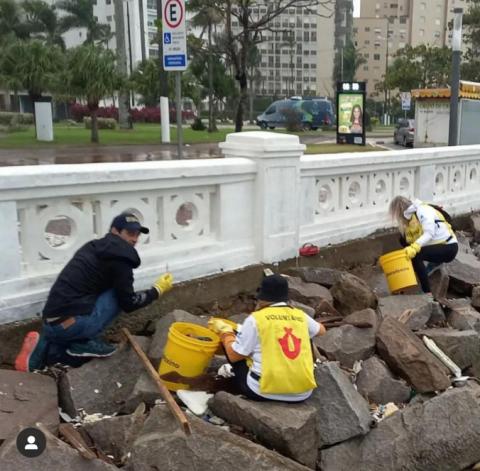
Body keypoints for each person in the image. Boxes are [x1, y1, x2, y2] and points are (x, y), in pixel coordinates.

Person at [15, 212, 174, 372]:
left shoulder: (93, 247)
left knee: (87, 303)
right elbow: (129, 303)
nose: (135, 239)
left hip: (51, 322)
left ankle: (35, 358)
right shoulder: (121, 258)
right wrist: (157, 290)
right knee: (117, 294)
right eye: (130, 233)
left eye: (137, 235)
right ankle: (84, 341)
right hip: (72, 325)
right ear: (115, 231)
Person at [208, 274, 326, 402]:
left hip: (261, 391)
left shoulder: (256, 319)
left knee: (234, 345)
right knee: (307, 334)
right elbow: (321, 330)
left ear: (262, 297)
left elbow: (233, 356)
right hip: (302, 393)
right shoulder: (300, 315)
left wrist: (226, 333)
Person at [389, 196, 458, 295]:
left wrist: (414, 247)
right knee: (403, 240)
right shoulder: (411, 218)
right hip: (439, 246)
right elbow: (410, 240)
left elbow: (429, 233)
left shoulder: (423, 210)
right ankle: (424, 270)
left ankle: (427, 292)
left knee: (416, 255)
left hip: (449, 247)